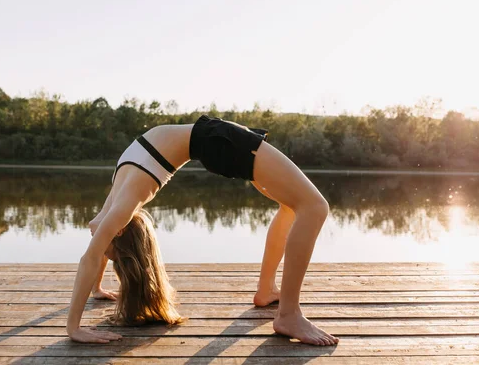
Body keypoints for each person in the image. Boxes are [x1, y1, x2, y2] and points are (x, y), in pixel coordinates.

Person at [66, 114, 339, 346]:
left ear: (118, 232)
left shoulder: (119, 210)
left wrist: (74, 327)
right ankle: (283, 308)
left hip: (214, 140)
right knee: (310, 207)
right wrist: (96, 289)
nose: (102, 249)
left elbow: (91, 256)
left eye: (109, 254)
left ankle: (275, 299)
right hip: (212, 140)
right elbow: (98, 245)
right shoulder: (117, 203)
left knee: (304, 207)